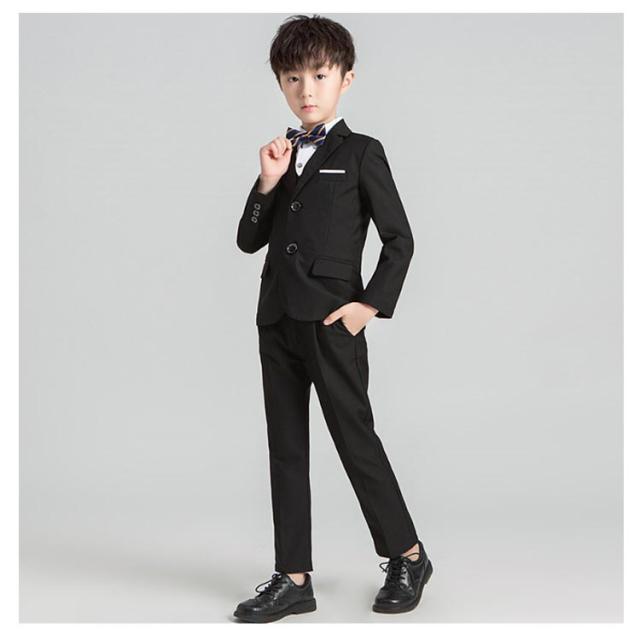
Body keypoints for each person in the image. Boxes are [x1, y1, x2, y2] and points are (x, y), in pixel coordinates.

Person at [233, 14, 433, 623]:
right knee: (285, 448)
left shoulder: (362, 152)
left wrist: (367, 305)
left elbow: (400, 240)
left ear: (346, 79)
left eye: (320, 76)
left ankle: (408, 555)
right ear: (280, 84)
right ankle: (293, 577)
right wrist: (267, 183)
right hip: (277, 320)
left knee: (354, 439)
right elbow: (248, 240)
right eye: (293, 78)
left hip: (331, 323)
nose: (307, 90)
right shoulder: (281, 155)